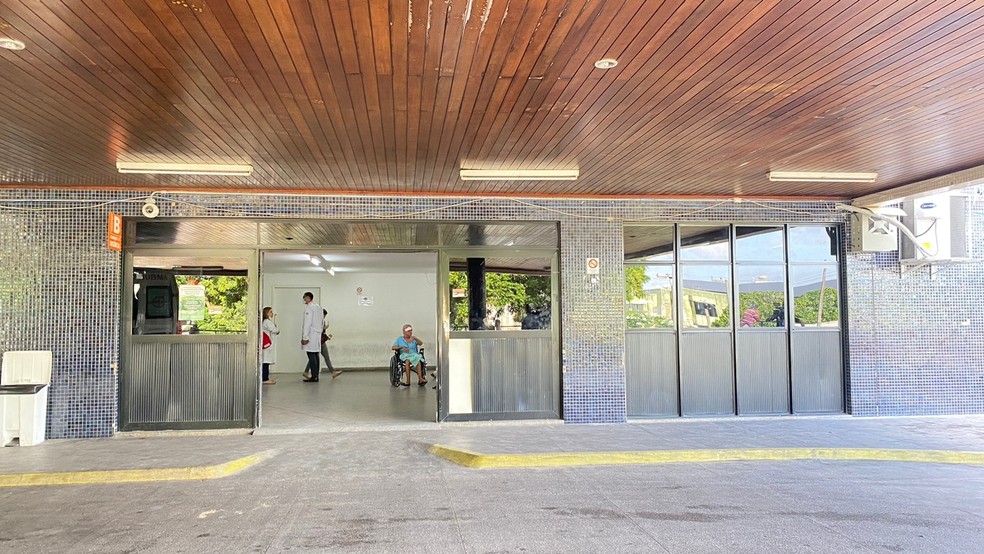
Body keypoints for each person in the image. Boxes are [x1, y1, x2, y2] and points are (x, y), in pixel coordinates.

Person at [300, 292, 322, 382]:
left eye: (304, 298)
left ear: (308, 298)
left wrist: (305, 337)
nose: (304, 300)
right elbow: (322, 321)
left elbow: (307, 323)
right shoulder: (318, 307)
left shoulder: (310, 307)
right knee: (316, 354)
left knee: (311, 355)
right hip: (317, 333)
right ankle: (316, 375)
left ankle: (314, 376)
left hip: (311, 334)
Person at [321, 308, 342, 379]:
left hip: (321, 342)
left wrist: (326, 336)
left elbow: (322, 333)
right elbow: (319, 332)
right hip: (320, 343)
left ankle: (333, 372)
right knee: (325, 358)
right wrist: (324, 328)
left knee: (314, 358)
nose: (324, 317)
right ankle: (333, 372)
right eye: (324, 315)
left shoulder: (321, 321)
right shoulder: (319, 322)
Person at [261, 307, 279, 385]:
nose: (272, 313)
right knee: (265, 362)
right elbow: (275, 330)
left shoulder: (267, 321)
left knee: (266, 361)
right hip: (267, 345)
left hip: (267, 344)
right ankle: (265, 378)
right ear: (267, 313)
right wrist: (277, 329)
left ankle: (265, 378)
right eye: (270, 312)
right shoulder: (267, 321)